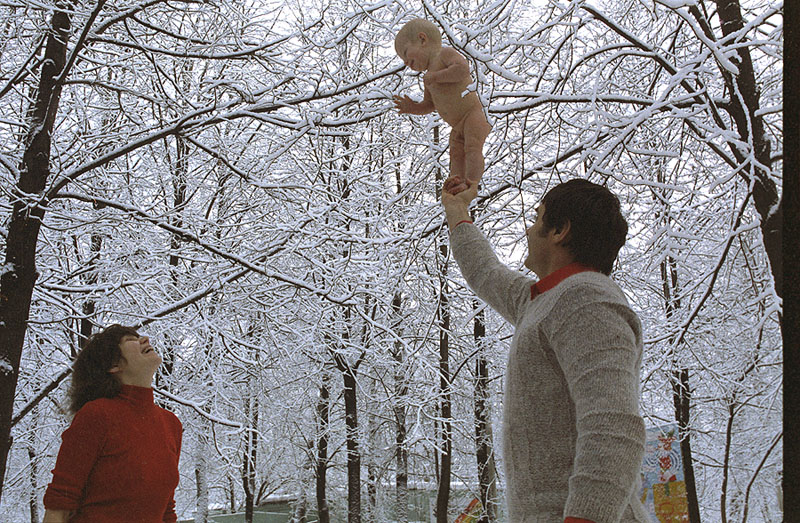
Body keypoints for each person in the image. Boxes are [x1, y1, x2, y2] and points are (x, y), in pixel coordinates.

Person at [441, 177, 650, 523]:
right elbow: (485, 272)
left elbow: (613, 425)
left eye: (537, 217)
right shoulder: (542, 301)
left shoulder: (587, 300)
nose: (528, 228)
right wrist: (457, 210)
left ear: (559, 230)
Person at [43, 324, 182, 523]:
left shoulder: (171, 424)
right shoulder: (97, 415)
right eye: (130, 340)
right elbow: (60, 505)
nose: (145, 340)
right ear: (114, 365)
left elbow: (166, 510)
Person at [393, 18, 491, 194]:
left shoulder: (444, 54)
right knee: (455, 155)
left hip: (473, 114)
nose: (406, 63)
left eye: (406, 53)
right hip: (457, 125)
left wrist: (437, 77)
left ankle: (471, 184)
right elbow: (430, 105)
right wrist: (413, 108)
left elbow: (462, 70)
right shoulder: (428, 77)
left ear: (423, 40)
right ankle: (456, 185)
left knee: (472, 148)